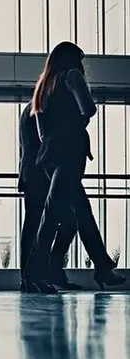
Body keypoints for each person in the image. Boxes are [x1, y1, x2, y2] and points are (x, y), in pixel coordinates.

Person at [23, 41, 124, 293]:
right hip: (69, 154)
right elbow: (89, 108)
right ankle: (35, 274)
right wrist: (77, 125)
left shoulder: (44, 84)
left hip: (49, 157)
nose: (82, 64)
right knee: (53, 215)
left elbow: (42, 127)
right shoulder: (72, 76)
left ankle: (102, 266)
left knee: (81, 212)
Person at [18, 101, 80, 291]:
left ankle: (39, 275)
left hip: (38, 173)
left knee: (39, 225)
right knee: (38, 225)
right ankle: (36, 276)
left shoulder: (36, 106)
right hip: (41, 173)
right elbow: (49, 141)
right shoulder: (42, 106)